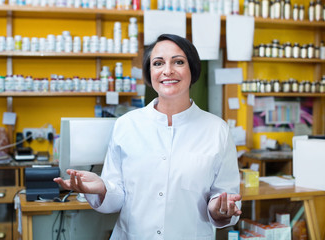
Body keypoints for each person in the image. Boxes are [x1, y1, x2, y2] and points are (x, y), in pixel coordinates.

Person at [54, 33, 241, 239]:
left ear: (192, 70)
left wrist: (220, 210)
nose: (167, 71)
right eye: (158, 63)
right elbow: (117, 196)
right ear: (150, 73)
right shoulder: (127, 125)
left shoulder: (217, 130)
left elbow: (226, 196)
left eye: (178, 62)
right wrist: (102, 188)